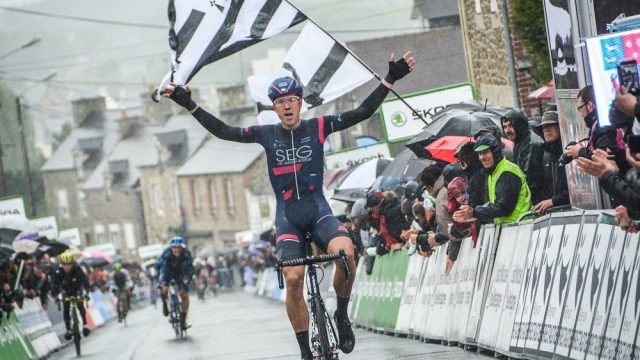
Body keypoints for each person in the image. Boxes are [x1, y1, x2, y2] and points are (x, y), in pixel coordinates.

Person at [163, 51, 415, 359]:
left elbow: (362, 112)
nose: (286, 105)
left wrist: (390, 78)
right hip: (288, 218)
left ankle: (342, 314)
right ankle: (304, 351)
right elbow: (224, 131)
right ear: (274, 108)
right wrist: (188, 103)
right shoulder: (266, 134)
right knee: (293, 278)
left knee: (347, 253)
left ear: (300, 103)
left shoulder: (319, 127)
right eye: (280, 102)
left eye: (292, 99)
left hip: (318, 211)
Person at [453, 133, 531, 225]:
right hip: (511, 227)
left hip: (521, 226)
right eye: (479, 154)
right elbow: (494, 204)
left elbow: (504, 207)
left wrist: (475, 212)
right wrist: (473, 211)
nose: (482, 157)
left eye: (485, 152)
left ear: (495, 152)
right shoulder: (493, 172)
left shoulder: (507, 171)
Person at [500, 108, 545, 204]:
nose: (507, 130)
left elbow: (528, 179)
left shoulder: (532, 144)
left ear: (519, 125)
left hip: (536, 201)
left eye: (510, 125)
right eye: (504, 127)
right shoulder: (519, 142)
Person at [532, 111, 570, 214]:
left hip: (570, 211)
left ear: (560, 127)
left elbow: (577, 191)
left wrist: (553, 201)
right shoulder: (545, 155)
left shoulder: (570, 152)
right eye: (544, 127)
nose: (547, 130)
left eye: (551, 125)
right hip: (553, 213)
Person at [51, 251, 91, 339]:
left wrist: (87, 292)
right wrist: (56, 296)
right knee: (66, 306)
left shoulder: (77, 269)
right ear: (62, 264)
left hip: (77, 289)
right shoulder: (58, 272)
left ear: (72, 263)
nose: (68, 266)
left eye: (70, 264)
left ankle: (85, 325)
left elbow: (85, 281)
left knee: (80, 304)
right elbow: (55, 285)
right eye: (65, 264)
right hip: (66, 291)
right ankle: (68, 329)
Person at [156, 236, 194, 330]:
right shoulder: (166, 253)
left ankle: (184, 319)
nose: (176, 250)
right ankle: (165, 304)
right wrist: (159, 279)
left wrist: (187, 279)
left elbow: (190, 268)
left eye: (178, 247)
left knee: (184, 294)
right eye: (174, 247)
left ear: (182, 247)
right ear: (171, 247)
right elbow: (159, 265)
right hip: (167, 272)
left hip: (180, 273)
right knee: (163, 290)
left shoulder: (186, 253)